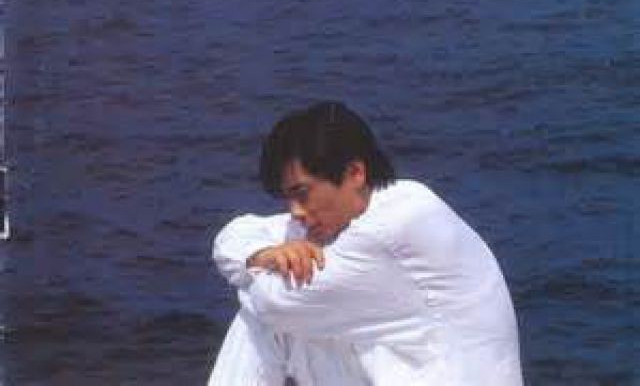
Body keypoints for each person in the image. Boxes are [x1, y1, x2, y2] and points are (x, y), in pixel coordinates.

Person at [208, 101, 523, 385]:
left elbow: (271, 304)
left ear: (355, 173)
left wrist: (261, 269)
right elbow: (235, 233)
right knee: (298, 308)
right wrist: (263, 254)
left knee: (263, 318)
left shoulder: (391, 228)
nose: (296, 212)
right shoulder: (387, 201)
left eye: (302, 194)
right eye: (288, 199)